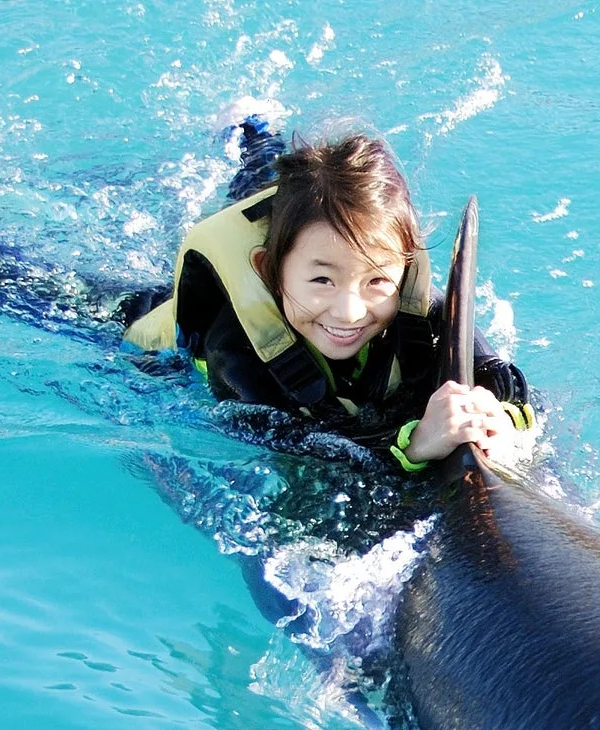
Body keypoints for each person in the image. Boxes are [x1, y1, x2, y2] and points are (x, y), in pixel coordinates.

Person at [121, 119, 535, 473]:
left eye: (376, 282)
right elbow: (303, 450)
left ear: (405, 270)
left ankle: (258, 140)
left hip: (301, 240)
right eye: (323, 281)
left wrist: (501, 421)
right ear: (268, 269)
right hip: (132, 335)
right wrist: (412, 445)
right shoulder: (235, 350)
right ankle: (250, 133)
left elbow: (505, 383)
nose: (350, 311)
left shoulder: (423, 313)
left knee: (288, 200)